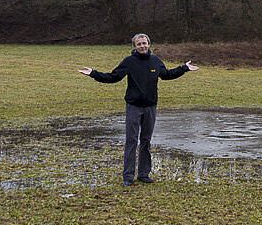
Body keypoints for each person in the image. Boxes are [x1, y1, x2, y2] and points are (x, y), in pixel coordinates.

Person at [78, 33, 199, 187]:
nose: (142, 46)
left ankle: (143, 174)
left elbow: (167, 75)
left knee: (146, 141)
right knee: (132, 140)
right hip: (134, 107)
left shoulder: (155, 60)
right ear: (134, 47)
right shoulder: (129, 61)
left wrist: (184, 68)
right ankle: (128, 177)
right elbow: (113, 77)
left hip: (150, 107)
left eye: (144, 43)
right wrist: (93, 73)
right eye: (139, 44)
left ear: (149, 44)